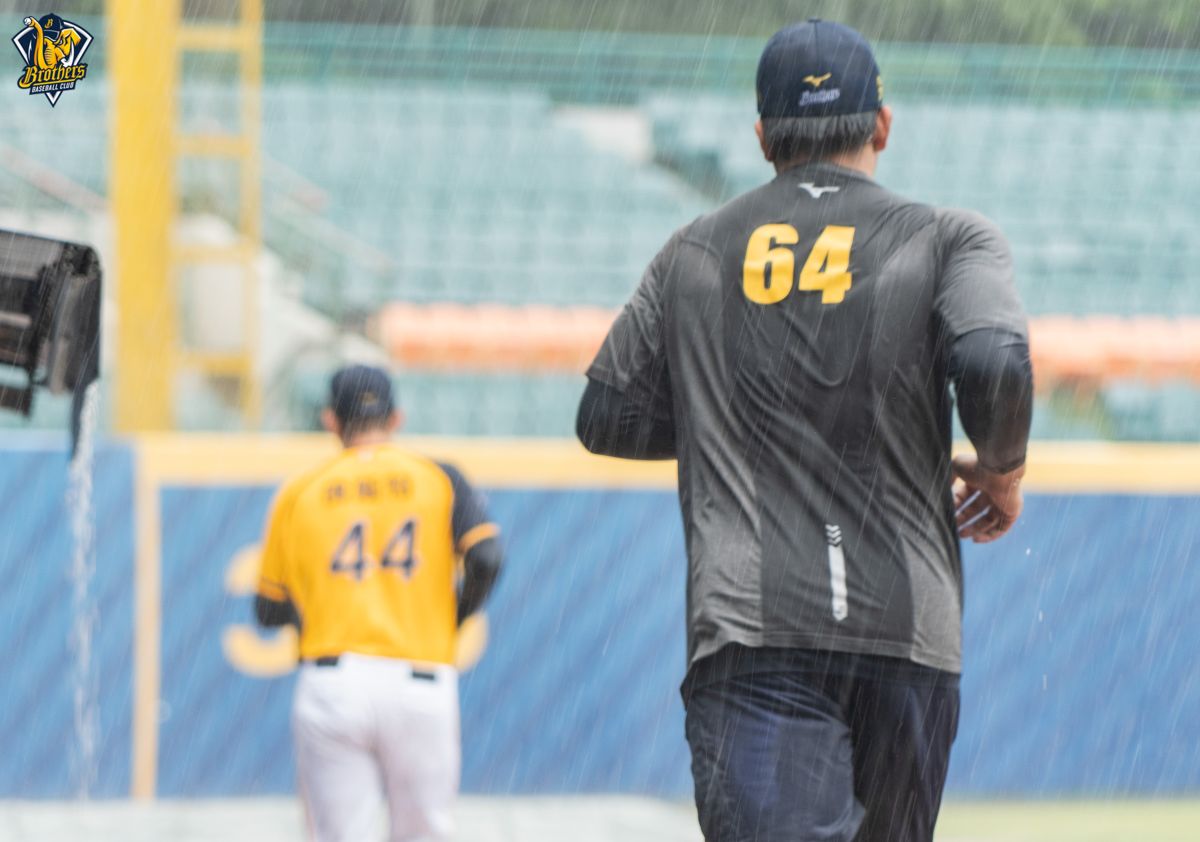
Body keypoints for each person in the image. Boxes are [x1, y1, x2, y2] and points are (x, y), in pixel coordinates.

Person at [576, 19, 1033, 842]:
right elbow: (995, 363)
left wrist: (740, 422)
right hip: (908, 635)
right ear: (883, 127)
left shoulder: (693, 251)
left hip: (755, 634)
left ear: (760, 137)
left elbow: (606, 415)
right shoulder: (948, 237)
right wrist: (1001, 468)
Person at [255, 364, 503, 842]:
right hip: (419, 679)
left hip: (333, 683)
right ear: (397, 418)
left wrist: (319, 610)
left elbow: (267, 608)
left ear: (330, 421)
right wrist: (454, 615)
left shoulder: (299, 492)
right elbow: (487, 557)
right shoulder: (438, 477)